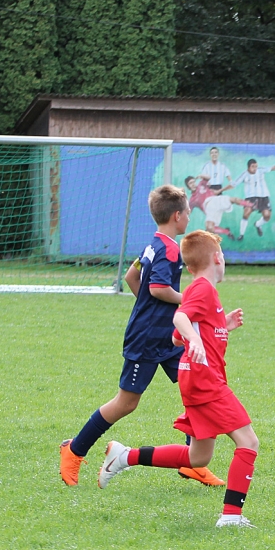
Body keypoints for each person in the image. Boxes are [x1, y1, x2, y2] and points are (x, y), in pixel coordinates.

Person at [59, 185, 225, 489]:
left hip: (169, 337)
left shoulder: (154, 243)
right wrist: (187, 299)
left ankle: (194, 463)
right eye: (188, 212)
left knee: (198, 388)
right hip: (147, 338)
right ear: (177, 216)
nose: (190, 217)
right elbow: (157, 288)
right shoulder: (170, 249)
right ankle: (75, 449)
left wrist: (152, 309)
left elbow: (131, 277)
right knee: (126, 403)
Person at [98, 230, 260, 529]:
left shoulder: (205, 292)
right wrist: (194, 340)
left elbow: (176, 338)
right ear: (217, 258)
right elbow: (180, 319)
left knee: (199, 457)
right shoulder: (202, 288)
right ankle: (231, 516)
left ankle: (124, 456)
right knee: (248, 441)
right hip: (205, 380)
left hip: (196, 379)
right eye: (223, 256)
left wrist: (221, 326)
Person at [231, 159, 275, 241]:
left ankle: (258, 224)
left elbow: (270, 168)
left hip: (264, 197)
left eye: (256, 166)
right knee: (246, 213)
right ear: (248, 167)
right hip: (251, 197)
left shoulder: (260, 170)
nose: (255, 168)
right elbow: (234, 184)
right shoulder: (244, 175)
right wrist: (221, 190)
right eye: (253, 166)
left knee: (267, 215)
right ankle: (241, 235)